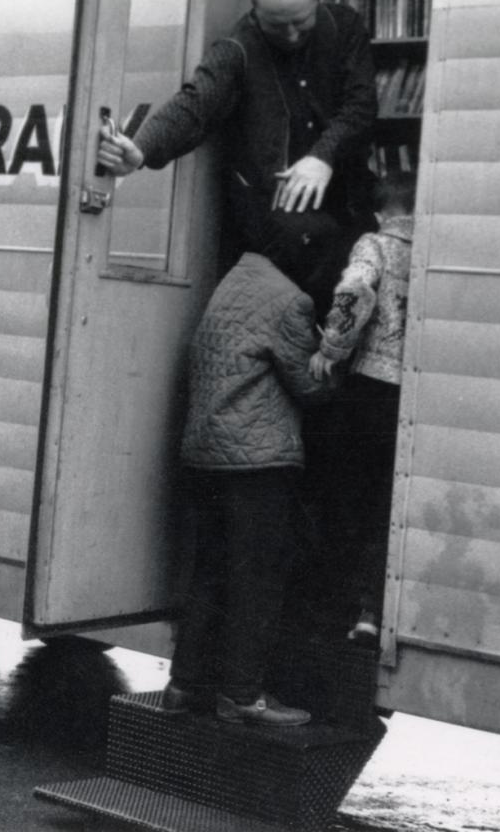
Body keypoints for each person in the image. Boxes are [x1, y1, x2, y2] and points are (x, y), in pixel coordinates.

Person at [163, 209, 340, 727]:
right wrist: (334, 362)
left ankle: (184, 685)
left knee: (210, 572)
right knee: (257, 579)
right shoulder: (291, 301)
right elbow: (311, 388)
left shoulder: (235, 280)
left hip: (206, 455)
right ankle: (243, 695)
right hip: (256, 463)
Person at [96, 0, 377, 246]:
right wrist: (141, 148)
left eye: (301, 22)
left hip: (350, 201)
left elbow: (361, 105)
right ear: (254, 4)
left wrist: (322, 156)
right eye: (278, 26)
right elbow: (195, 105)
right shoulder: (236, 48)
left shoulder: (345, 26)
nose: (292, 36)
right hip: (280, 223)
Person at [305, 169, 415, 641]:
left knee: (350, 497)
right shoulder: (430, 250)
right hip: (412, 395)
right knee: (387, 505)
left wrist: (330, 349)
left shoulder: (374, 244)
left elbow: (355, 291)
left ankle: (338, 608)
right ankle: (373, 610)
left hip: (370, 388)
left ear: (379, 211)